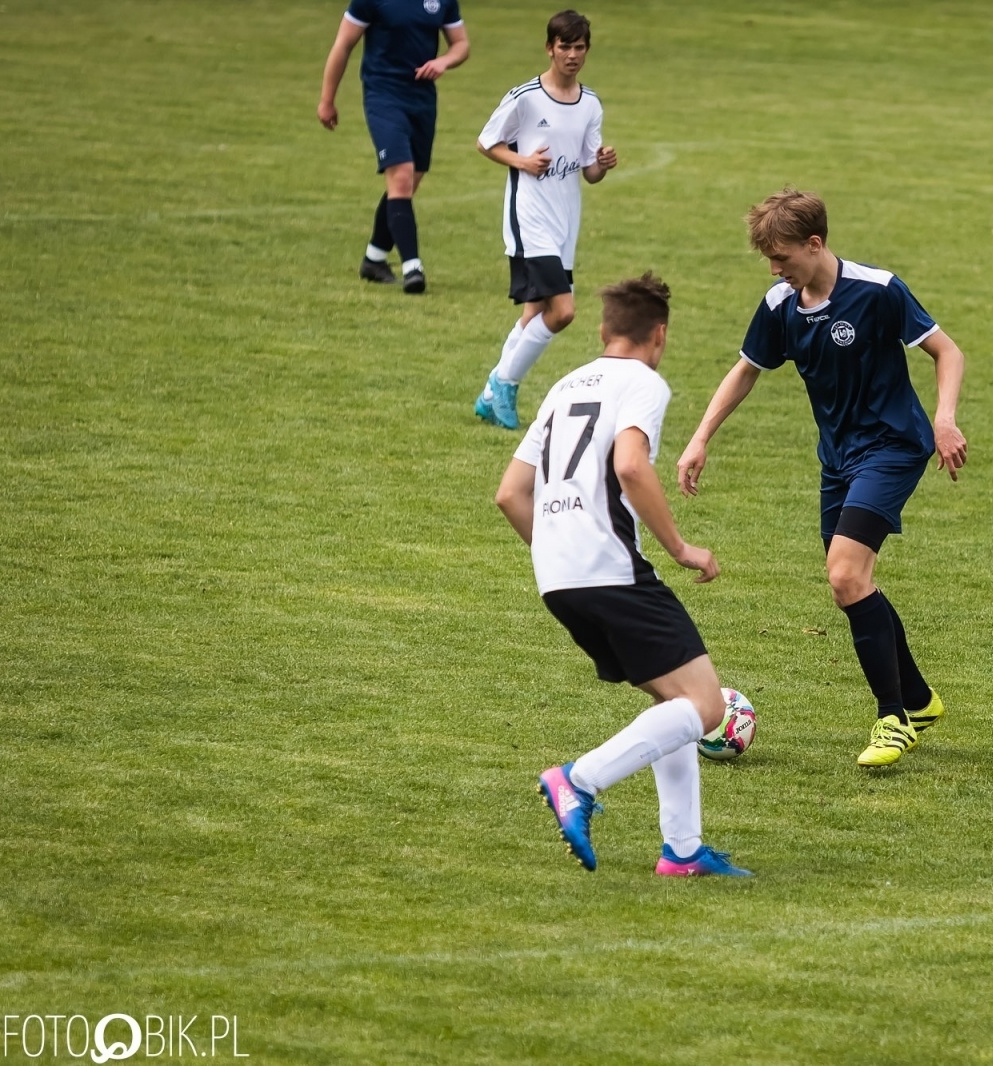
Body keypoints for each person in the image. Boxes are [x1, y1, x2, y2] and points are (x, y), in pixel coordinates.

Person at [677, 188, 968, 768]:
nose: (774, 268)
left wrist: (944, 419)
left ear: (815, 244)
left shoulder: (877, 290)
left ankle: (894, 719)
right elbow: (747, 369)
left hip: (893, 448)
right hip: (837, 460)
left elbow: (947, 351)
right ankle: (918, 696)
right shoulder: (781, 304)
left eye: (781, 256)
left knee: (843, 574)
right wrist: (701, 436)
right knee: (852, 584)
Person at [495, 273, 751, 878]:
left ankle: (682, 853)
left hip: (558, 577)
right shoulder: (643, 382)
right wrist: (682, 547)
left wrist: (559, 550)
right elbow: (631, 466)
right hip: (608, 568)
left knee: (676, 699)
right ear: (658, 335)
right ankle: (576, 782)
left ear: (604, 330)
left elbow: (510, 494)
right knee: (708, 707)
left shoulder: (562, 387)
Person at [474, 9, 618, 431]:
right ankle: (505, 383)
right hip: (529, 218)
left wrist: (603, 164)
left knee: (534, 311)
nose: (572, 55)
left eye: (579, 47)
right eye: (564, 47)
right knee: (564, 311)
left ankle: (488, 396)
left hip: (565, 221)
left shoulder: (590, 103)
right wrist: (523, 161)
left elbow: (589, 173)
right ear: (549, 48)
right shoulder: (525, 97)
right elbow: (486, 142)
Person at [317, 0, 469, 294]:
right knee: (401, 175)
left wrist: (444, 61)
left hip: (422, 99)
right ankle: (413, 267)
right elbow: (343, 45)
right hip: (383, 94)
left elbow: (461, 44)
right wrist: (327, 100)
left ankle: (374, 259)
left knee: (411, 180)